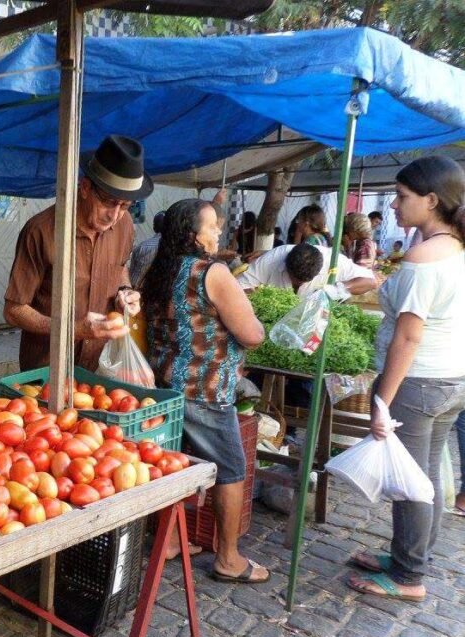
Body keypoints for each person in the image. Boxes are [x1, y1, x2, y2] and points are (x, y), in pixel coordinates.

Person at [348, 155, 465, 602]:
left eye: (402, 197)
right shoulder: (455, 247)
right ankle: (409, 556)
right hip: (451, 379)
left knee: (411, 483)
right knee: (427, 476)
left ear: (432, 200)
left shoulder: (423, 256)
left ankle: (407, 575)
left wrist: (382, 400)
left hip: (419, 383)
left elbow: (408, 336)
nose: (394, 206)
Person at [142, 199, 268, 580]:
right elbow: (251, 334)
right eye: (212, 226)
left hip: (164, 383)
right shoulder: (212, 272)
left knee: (174, 464)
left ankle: (169, 542)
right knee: (230, 468)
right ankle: (229, 559)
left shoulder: (158, 270)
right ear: (194, 234)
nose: (218, 233)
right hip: (205, 388)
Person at [5, 135, 147, 371]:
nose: (114, 215)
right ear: (85, 188)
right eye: (109, 202)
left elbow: (120, 268)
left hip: (101, 366)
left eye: (125, 205)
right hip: (48, 368)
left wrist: (126, 293)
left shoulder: (125, 225)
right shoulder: (41, 231)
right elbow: (13, 310)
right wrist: (72, 329)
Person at [237, 241, 377, 297]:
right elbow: (238, 288)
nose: (300, 285)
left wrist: (338, 289)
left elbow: (370, 281)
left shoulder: (332, 260)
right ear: (286, 265)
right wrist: (259, 296)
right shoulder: (272, 260)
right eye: (296, 281)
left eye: (305, 282)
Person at [129, 210, 165, 288]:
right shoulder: (177, 248)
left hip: (139, 293)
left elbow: (134, 280)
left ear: (154, 227)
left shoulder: (143, 247)